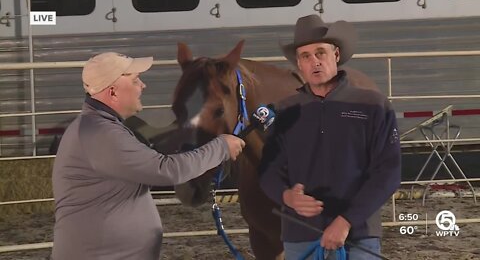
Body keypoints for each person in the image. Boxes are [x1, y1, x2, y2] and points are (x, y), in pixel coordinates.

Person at [51, 52, 245, 260]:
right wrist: (220, 148)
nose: (143, 86)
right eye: (135, 80)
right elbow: (166, 170)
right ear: (113, 92)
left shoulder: (98, 127)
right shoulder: (101, 133)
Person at [258, 15, 401, 259]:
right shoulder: (284, 112)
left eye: (320, 53)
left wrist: (346, 221)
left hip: (358, 235)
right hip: (300, 235)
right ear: (299, 65)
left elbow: (388, 172)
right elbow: (268, 172)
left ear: (335, 55)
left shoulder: (373, 105)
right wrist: (287, 197)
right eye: (305, 56)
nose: (314, 62)